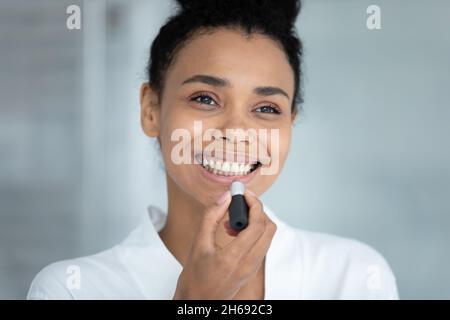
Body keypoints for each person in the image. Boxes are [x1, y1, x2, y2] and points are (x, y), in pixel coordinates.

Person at [27, 0, 399, 300]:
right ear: (151, 110)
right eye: (205, 99)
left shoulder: (353, 276)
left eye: (267, 108)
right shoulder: (71, 289)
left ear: (290, 123)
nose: (237, 132)